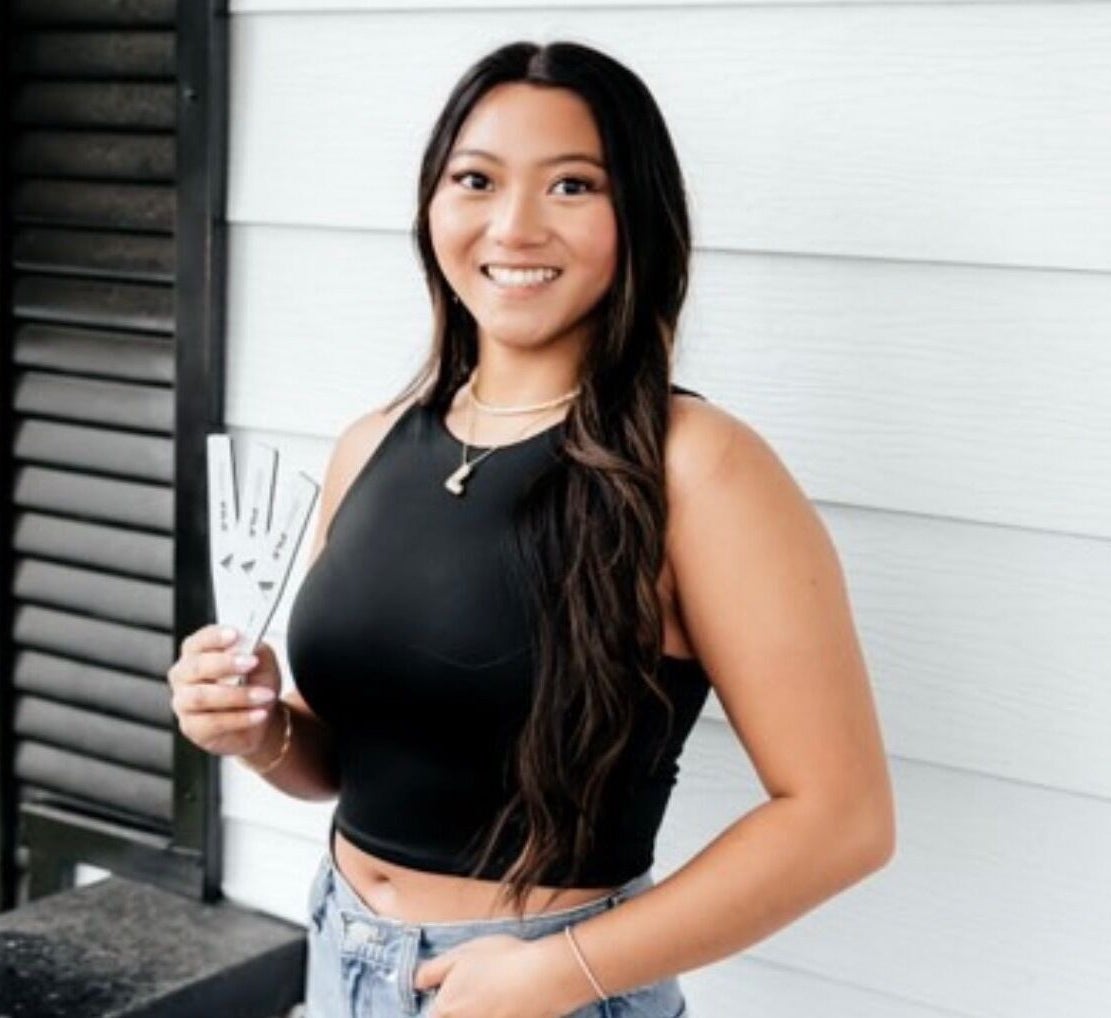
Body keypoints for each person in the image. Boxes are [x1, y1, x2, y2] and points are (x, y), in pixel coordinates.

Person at [167, 39, 895, 1018]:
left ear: (633, 217)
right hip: (340, 957)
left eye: (570, 186)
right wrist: (257, 730)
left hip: (549, 990)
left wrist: (559, 972)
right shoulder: (369, 444)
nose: (512, 225)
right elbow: (347, 763)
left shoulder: (698, 466)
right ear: (433, 206)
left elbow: (841, 819)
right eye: (476, 179)